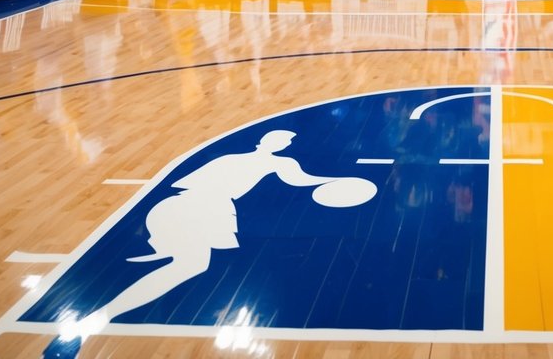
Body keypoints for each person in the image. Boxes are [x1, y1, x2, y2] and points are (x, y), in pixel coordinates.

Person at [52, 130, 373, 352]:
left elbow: (301, 180)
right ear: (275, 142)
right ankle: (95, 319)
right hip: (197, 207)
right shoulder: (277, 162)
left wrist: (335, 180)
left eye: (285, 139)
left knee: (190, 265)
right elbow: (302, 181)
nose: (284, 141)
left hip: (185, 205)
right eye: (284, 139)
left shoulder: (233, 158)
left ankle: (100, 314)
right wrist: (341, 181)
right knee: (189, 265)